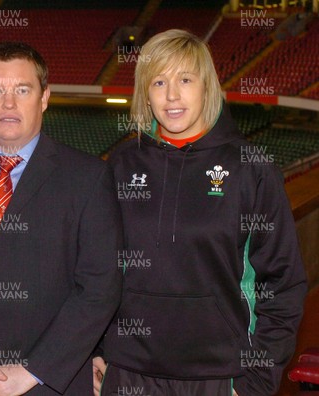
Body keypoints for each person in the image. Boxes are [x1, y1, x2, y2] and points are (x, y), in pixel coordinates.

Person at [94, 29, 307, 396]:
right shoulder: (122, 164)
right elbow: (97, 266)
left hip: (218, 376)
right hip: (128, 372)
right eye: (159, 81)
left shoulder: (250, 168)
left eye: (185, 79)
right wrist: (97, 350)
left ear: (207, 86)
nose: (172, 95)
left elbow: (282, 283)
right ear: (145, 91)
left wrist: (255, 379)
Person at [0, 42, 122, 395]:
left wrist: (34, 370)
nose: (8, 103)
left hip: (51, 384)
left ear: (44, 97)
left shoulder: (89, 177)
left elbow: (99, 289)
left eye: (22, 90)